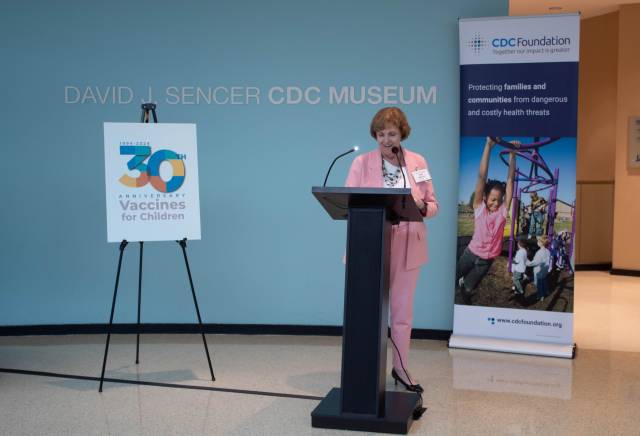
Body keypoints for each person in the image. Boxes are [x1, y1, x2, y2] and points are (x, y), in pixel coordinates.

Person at [345, 107, 438, 393]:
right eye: (381, 134)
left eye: (392, 134)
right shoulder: (361, 163)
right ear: (375, 135)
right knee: (368, 310)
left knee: (401, 311)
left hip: (408, 241)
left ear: (402, 135)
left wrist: (422, 205)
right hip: (371, 242)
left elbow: (433, 205)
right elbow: (349, 201)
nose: (386, 139)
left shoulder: (417, 161)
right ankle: (365, 369)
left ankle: (400, 369)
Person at [456, 137, 516, 303]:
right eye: (492, 199)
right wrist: (488, 146)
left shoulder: (503, 211)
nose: (496, 203)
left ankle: (465, 290)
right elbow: (482, 177)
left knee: (469, 287)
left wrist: (513, 156)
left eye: (499, 199)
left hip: (487, 259)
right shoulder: (479, 208)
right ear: (484, 197)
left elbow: (510, 182)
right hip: (471, 253)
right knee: (455, 276)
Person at [527, 235, 551, 302]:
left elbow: (535, 262)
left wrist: (527, 262)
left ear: (541, 243)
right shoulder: (548, 251)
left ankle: (541, 295)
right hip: (545, 270)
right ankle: (546, 291)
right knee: (544, 280)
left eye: (538, 241)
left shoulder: (539, 253)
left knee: (539, 284)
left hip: (539, 271)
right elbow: (550, 260)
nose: (537, 242)